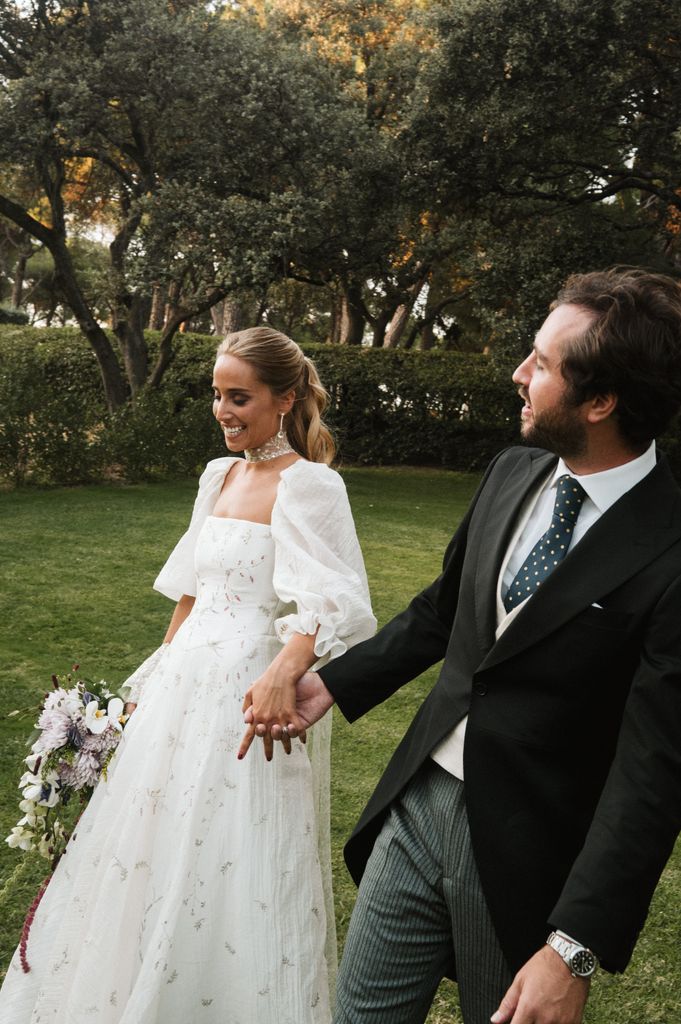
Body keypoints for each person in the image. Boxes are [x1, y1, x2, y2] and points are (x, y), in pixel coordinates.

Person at [246, 269, 681, 1024]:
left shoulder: (670, 549)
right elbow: (444, 610)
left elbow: (654, 772)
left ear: (601, 401)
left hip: (527, 850)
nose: (518, 372)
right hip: (417, 802)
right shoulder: (513, 471)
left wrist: (574, 946)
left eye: (542, 363)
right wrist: (334, 684)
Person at [0, 326, 376, 1024]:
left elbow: (334, 603)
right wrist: (150, 684)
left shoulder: (310, 485)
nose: (223, 411)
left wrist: (283, 673)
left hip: (245, 690)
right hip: (182, 684)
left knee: (231, 851)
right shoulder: (218, 476)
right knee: (146, 840)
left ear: (284, 398)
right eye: (217, 395)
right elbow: (190, 593)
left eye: (240, 397)